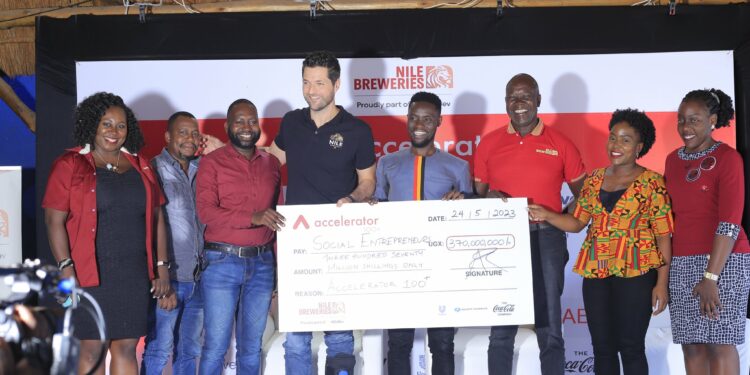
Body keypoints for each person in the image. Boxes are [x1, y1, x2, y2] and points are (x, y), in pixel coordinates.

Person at [528, 109, 673, 375]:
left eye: (625, 140)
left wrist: (661, 284)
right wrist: (547, 214)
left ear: (639, 147)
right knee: (602, 348)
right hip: (597, 271)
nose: (616, 145)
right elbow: (577, 223)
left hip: (637, 272)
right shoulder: (594, 179)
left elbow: (663, 235)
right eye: (613, 138)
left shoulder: (653, 183)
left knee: (631, 347)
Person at [42, 92, 171, 374]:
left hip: (133, 274)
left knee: (126, 347)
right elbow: (54, 220)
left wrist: (161, 267)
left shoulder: (142, 165)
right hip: (86, 273)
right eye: (107, 124)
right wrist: (66, 268)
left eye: (121, 125)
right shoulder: (71, 165)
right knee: (91, 350)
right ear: (93, 125)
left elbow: (157, 217)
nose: (115, 132)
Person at [269, 50, 376, 375]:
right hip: (296, 243)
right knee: (296, 336)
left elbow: (368, 182)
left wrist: (353, 197)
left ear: (336, 84)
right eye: (305, 82)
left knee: (340, 330)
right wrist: (228, 153)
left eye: (318, 83)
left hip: (338, 243)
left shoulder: (357, 130)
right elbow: (271, 161)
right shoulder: (291, 122)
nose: (311, 90)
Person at [473, 73, 586, 375]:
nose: (519, 103)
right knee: (501, 329)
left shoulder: (560, 143)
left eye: (525, 96)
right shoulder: (489, 143)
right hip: (502, 240)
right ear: (506, 103)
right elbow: (478, 196)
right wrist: (488, 198)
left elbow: (585, 195)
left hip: (546, 238)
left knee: (549, 327)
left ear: (538, 99)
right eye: (513, 97)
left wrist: (557, 216)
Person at [372, 91, 472, 375]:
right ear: (407, 118)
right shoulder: (387, 163)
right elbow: (378, 208)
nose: (419, 124)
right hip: (400, 267)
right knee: (399, 343)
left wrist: (464, 202)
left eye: (427, 119)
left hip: (442, 269)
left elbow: (470, 221)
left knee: (442, 343)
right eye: (414, 117)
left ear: (439, 121)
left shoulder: (458, 167)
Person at [195, 99, 284, 374]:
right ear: (227, 126)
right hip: (222, 263)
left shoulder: (271, 164)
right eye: (239, 121)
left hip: (262, 265)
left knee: (251, 347)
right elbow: (206, 213)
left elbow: (277, 217)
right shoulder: (211, 163)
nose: (247, 127)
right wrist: (253, 217)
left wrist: (279, 265)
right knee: (215, 347)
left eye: (252, 121)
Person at [664, 89, 750, 375]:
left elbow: (729, 223)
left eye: (695, 120)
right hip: (682, 262)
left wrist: (710, 278)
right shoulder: (672, 161)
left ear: (712, 120)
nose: (685, 128)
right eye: (681, 120)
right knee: (692, 345)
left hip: (724, 262)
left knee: (720, 343)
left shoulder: (728, 158)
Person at [141, 111, 212, 374]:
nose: (190, 139)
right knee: (160, 347)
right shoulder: (153, 169)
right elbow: (148, 226)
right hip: (169, 279)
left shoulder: (203, 168)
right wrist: (160, 278)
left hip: (199, 278)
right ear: (168, 137)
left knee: (190, 349)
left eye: (194, 133)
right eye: (183, 133)